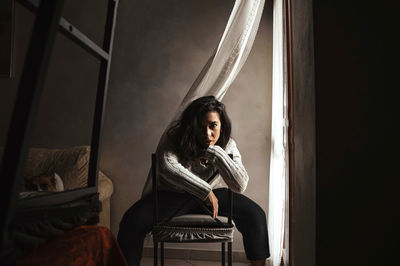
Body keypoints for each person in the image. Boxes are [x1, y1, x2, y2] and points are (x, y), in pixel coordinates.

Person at [117, 96, 270, 266]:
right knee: (132, 220)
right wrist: (205, 191)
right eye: (200, 127)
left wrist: (217, 153)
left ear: (221, 124)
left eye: (213, 126)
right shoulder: (174, 138)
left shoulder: (228, 145)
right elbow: (168, 167)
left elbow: (239, 185)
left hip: (214, 197)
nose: (207, 134)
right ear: (191, 127)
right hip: (172, 196)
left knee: (255, 215)